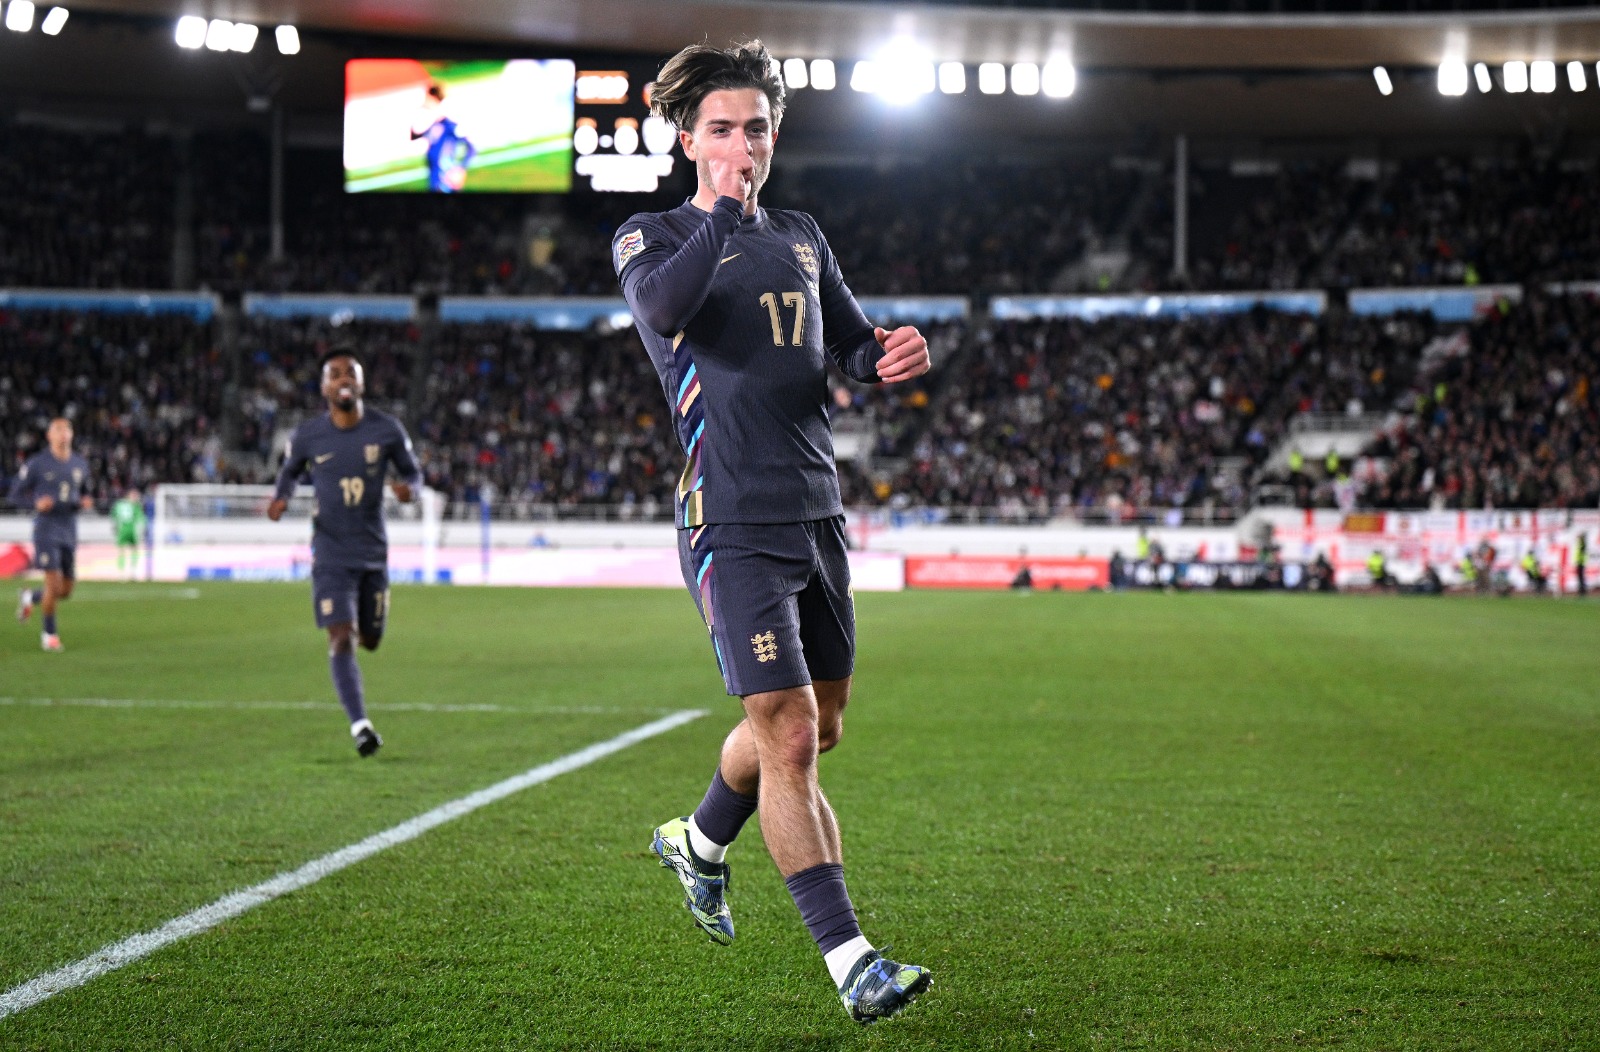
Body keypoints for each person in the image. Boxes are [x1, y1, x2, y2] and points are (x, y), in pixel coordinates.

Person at [613, 40, 933, 1025]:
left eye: (755, 127)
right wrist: (717, 209)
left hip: (815, 506)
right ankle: (853, 961)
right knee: (790, 735)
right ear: (686, 138)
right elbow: (664, 310)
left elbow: (849, 339)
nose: (742, 143)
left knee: (816, 725)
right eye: (721, 129)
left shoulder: (801, 232)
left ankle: (700, 842)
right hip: (731, 514)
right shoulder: (650, 236)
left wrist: (891, 351)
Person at [266, 349, 421, 757]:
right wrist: (280, 498)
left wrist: (410, 490)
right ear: (324, 387)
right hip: (330, 555)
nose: (342, 379)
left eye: (350, 373)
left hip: (372, 553)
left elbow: (413, 472)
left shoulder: (386, 430)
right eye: (334, 374)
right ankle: (361, 726)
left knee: (370, 639)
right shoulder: (308, 436)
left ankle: (360, 706)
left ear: (362, 383)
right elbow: (289, 472)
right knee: (340, 636)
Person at [11, 418, 93, 651]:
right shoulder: (37, 463)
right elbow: (15, 494)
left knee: (65, 590)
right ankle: (49, 635)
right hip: (46, 528)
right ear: (49, 436)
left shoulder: (80, 464)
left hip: (69, 528)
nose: (63, 433)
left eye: (67, 428)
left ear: (72, 434)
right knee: (53, 582)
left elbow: (83, 493)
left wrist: (85, 502)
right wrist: (35, 503)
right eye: (58, 429)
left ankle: (30, 598)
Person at [411, 82, 476, 192]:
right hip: (434, 176)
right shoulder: (433, 124)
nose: (424, 101)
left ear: (434, 98)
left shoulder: (449, 124)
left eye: (427, 97)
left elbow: (470, 147)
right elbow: (414, 136)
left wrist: (460, 169)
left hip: (445, 178)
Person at [112, 487, 146, 581]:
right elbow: (140, 518)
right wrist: (142, 528)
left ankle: (121, 573)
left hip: (122, 530)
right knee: (134, 550)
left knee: (121, 551)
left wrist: (115, 528)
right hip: (132, 529)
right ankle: (133, 572)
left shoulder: (119, 504)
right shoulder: (135, 505)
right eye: (134, 495)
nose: (135, 497)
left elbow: (114, 516)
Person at [1576, 532, 1588, 598]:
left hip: (1581, 563)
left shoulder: (1582, 544)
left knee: (1581, 578)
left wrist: (1581, 537)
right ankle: (1581, 591)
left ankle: (1582, 591)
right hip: (1580, 563)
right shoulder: (1581, 544)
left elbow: (1582, 552)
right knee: (1580, 578)